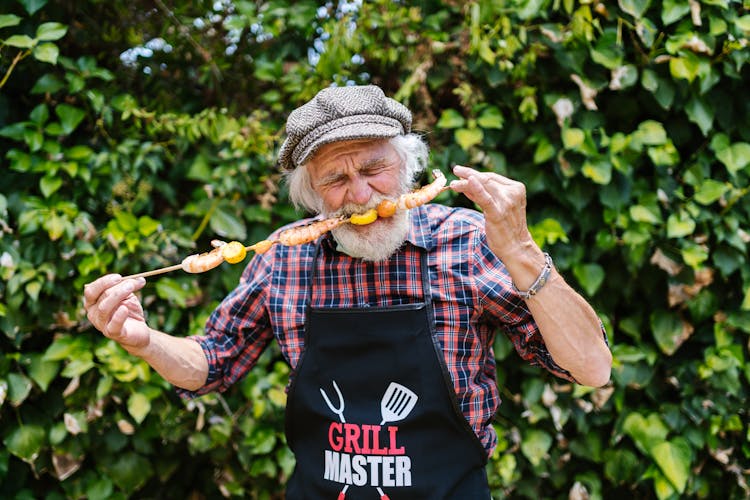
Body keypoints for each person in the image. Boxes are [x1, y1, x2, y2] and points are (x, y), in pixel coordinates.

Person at [84, 85, 612, 499]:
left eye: (374, 168)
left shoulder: (468, 241)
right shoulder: (285, 256)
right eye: (334, 179)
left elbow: (592, 368)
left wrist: (520, 249)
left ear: (406, 167)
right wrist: (143, 341)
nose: (359, 194)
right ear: (312, 196)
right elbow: (213, 363)